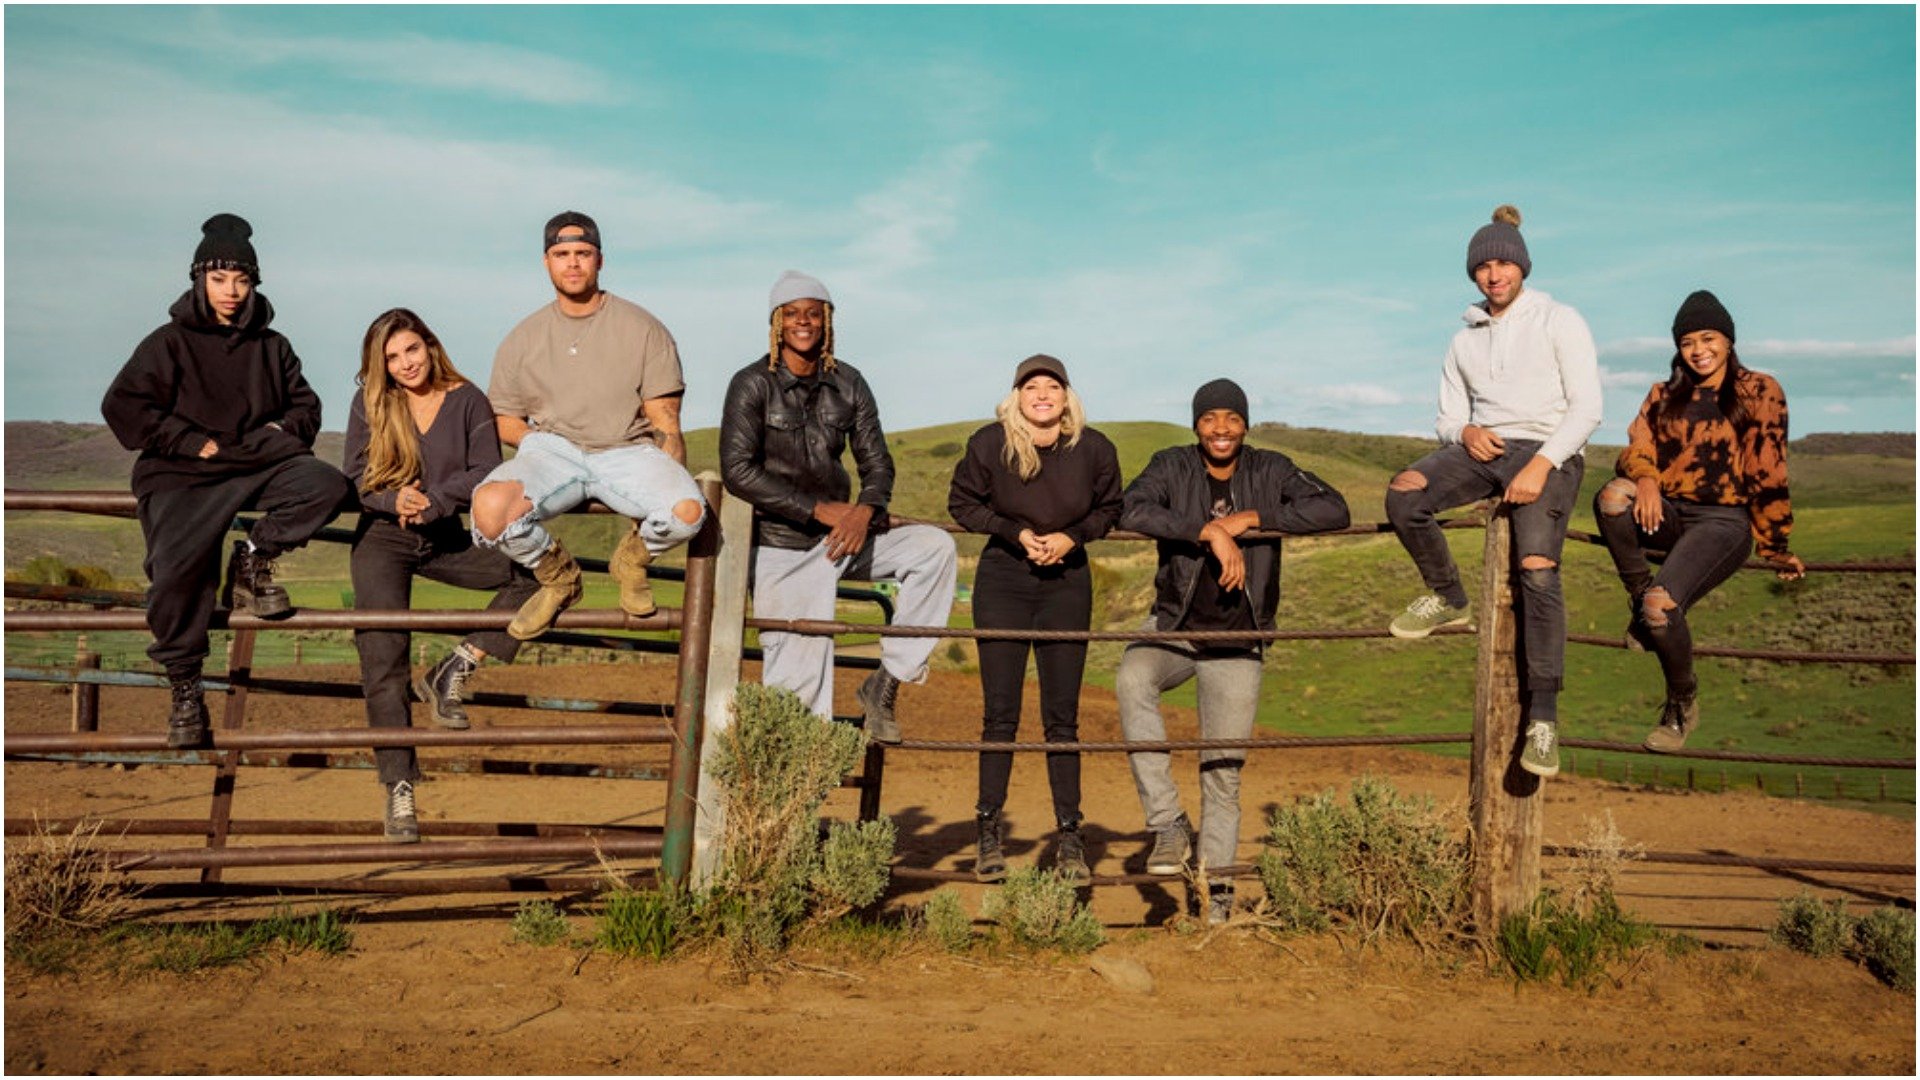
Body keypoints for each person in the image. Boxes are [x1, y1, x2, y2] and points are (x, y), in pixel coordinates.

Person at [101, 213, 352, 749]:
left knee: (326, 486)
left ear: (254, 282)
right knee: (176, 572)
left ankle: (252, 558)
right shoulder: (167, 343)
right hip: (182, 472)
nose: (232, 291)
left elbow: (305, 406)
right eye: (220, 279)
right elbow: (122, 405)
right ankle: (185, 688)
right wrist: (188, 441)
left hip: (254, 462)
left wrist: (280, 434)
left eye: (242, 280)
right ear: (199, 280)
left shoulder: (273, 346)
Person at [1116, 379, 1350, 923]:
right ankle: (1168, 824)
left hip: (1239, 639)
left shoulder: (1271, 469)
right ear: (1195, 425)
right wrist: (1206, 532)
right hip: (1175, 625)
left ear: (1246, 424)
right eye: (1209, 419)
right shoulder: (1170, 464)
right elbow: (1130, 508)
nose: (1221, 429)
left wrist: (1249, 520)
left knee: (1222, 772)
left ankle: (1215, 904)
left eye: (1231, 418)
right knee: (1132, 677)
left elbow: (1332, 509)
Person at [1384, 204, 1603, 779]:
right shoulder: (1462, 341)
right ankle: (1447, 594)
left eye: (1504, 262)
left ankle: (1544, 718)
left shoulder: (1560, 320)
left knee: (1535, 568)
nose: (1493, 273)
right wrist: (1466, 432)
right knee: (1405, 492)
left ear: (1522, 266)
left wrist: (1543, 464)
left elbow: (1588, 408)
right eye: (1482, 265)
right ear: (1472, 274)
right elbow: (1447, 418)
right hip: (1486, 450)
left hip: (1550, 450)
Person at [719, 271, 958, 740]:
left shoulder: (849, 383)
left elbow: (879, 464)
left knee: (933, 548)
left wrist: (864, 510)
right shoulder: (751, 384)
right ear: (776, 322)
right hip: (781, 545)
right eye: (792, 313)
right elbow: (737, 470)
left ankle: (885, 683)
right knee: (798, 693)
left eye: (813, 312)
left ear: (827, 320)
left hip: (843, 539)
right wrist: (819, 509)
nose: (803, 322)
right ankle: (786, 807)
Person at [345, 308, 542, 842]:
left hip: (447, 533)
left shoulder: (467, 399)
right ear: (380, 365)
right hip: (382, 537)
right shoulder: (371, 404)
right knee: (382, 655)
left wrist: (434, 501)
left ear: (430, 346)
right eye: (391, 357)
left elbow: (486, 470)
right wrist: (393, 498)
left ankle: (456, 666)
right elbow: (355, 478)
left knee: (540, 572)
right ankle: (399, 787)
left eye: (411, 349)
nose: (405, 363)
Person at [468, 211, 707, 637]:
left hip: (627, 450)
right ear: (547, 262)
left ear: (600, 260)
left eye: (583, 253)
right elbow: (504, 416)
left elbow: (665, 420)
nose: (573, 263)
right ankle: (559, 578)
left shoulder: (643, 328)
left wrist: (668, 484)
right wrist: (536, 440)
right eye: (562, 254)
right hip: (551, 451)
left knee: (688, 512)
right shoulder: (523, 337)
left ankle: (631, 559)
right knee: (488, 508)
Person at [1595, 290, 1804, 752]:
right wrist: (1647, 481)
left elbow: (1769, 469)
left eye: (1708, 338)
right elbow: (1635, 448)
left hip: (1724, 522)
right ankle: (1636, 602)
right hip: (1668, 511)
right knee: (1613, 497)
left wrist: (1775, 545)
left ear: (1728, 341)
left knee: (1661, 607)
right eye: (1688, 341)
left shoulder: (1760, 391)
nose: (1699, 350)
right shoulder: (1663, 394)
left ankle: (1681, 702)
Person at [948, 355, 1123, 884]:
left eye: (1052, 386)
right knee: (1000, 713)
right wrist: (1013, 532)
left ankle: (1070, 837)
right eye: (1032, 387)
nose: (1042, 394)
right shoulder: (990, 444)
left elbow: (1112, 507)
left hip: (1067, 585)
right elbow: (962, 504)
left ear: (1067, 396)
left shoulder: (1094, 449)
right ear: (1017, 396)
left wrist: (1074, 537)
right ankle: (987, 833)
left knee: (1062, 717)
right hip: (1003, 581)